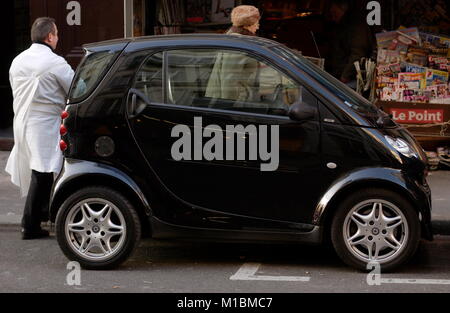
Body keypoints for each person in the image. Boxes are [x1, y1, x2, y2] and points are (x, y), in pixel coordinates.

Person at [6, 17, 74, 239]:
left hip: (22, 121)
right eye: (56, 34)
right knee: (42, 172)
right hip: (44, 123)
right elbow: (75, 88)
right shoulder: (55, 62)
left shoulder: (17, 61)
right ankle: (30, 224)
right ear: (50, 37)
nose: (57, 38)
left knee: (40, 170)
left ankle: (43, 216)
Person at [205, 5, 261, 101]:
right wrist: (231, 109)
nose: (258, 26)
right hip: (234, 102)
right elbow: (229, 81)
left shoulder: (234, 39)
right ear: (247, 24)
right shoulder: (238, 44)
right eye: (256, 23)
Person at [327, 0, 374, 87]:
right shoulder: (344, 25)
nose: (333, 18)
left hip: (352, 79)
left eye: (335, 13)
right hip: (344, 76)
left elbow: (358, 53)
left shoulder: (355, 26)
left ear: (344, 9)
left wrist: (345, 75)